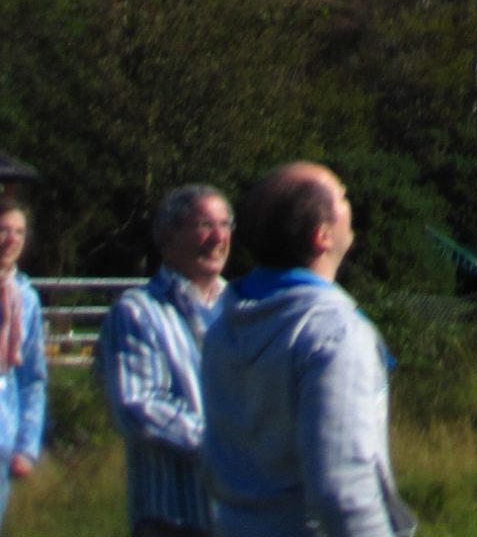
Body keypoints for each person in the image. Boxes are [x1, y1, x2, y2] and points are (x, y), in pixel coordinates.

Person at [202, 162, 414, 537]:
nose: (351, 204)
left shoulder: (224, 324)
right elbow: (344, 489)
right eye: (343, 196)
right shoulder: (333, 333)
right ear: (323, 236)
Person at [97, 184, 234, 536]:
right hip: (174, 518)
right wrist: (228, 445)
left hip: (242, 516)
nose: (218, 237)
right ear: (168, 238)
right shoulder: (138, 312)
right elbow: (137, 407)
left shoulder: (242, 308)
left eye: (226, 224)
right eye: (204, 225)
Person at [0, 193, 46, 527]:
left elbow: (32, 377)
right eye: (3, 230)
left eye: (19, 231)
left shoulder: (26, 299)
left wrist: (26, 445)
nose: (11, 240)